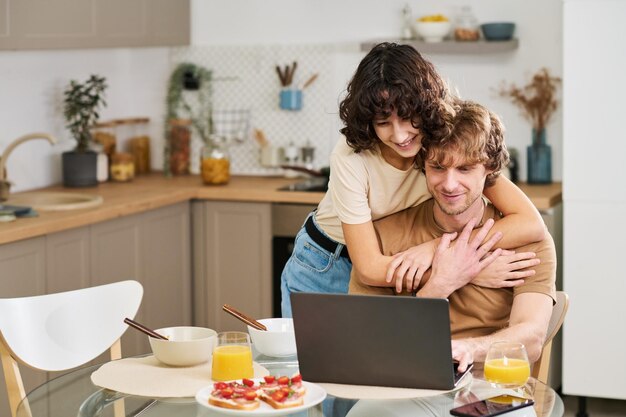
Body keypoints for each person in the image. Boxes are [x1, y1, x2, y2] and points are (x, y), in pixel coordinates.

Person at [280, 42, 546, 318]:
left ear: (424, 106)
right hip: (326, 262)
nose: (399, 135)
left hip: (399, 259)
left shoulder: (441, 141)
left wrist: (438, 249)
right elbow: (370, 268)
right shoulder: (351, 158)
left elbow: (529, 222)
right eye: (383, 122)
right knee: (314, 362)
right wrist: (468, 271)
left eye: (407, 117)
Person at [349, 100, 556, 372]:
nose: (449, 184)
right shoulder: (383, 236)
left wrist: (468, 349)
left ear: (490, 170)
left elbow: (530, 340)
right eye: (437, 167)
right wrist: (440, 284)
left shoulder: (527, 240)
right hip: (406, 378)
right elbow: (366, 344)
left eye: (465, 169)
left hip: (490, 385)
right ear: (422, 165)